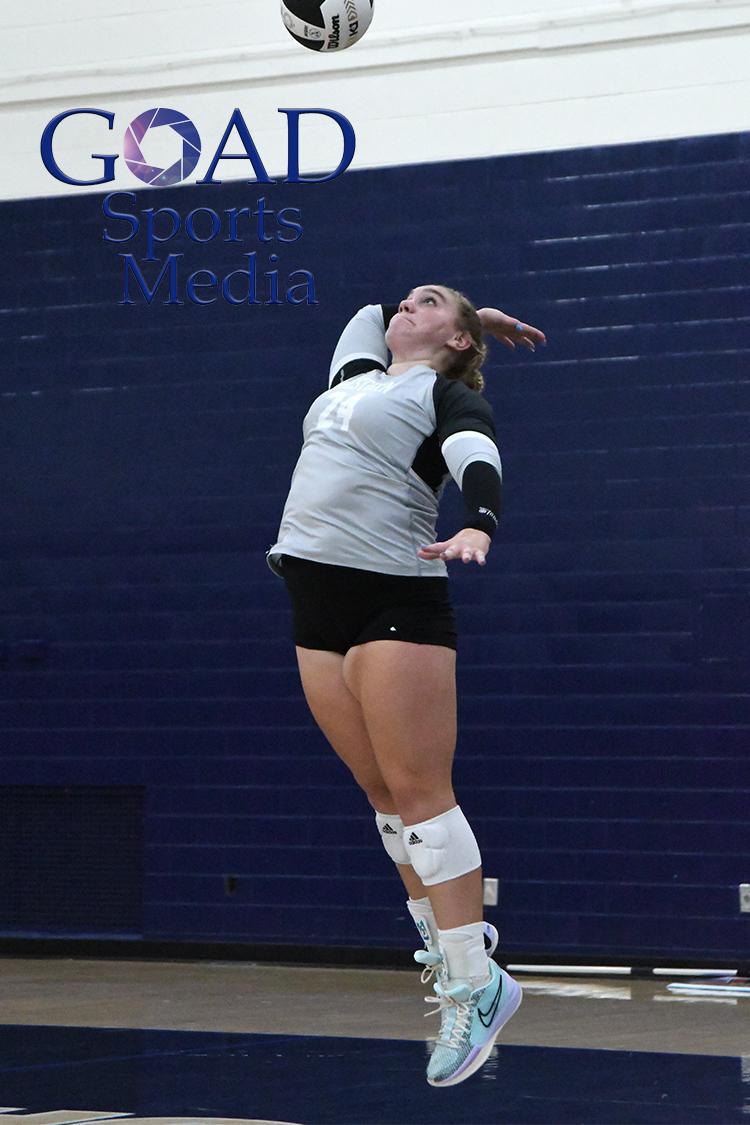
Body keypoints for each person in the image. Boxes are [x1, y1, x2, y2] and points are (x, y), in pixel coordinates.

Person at [267, 285, 546, 1087]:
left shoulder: (442, 392)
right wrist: (473, 316)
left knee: (422, 792)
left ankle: (476, 983)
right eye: (408, 302)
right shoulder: (354, 371)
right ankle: (450, 957)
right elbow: (370, 310)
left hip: (394, 598)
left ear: (453, 343)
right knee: (384, 797)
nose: (402, 306)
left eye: (425, 305)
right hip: (314, 603)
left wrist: (476, 523)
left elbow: (475, 455)